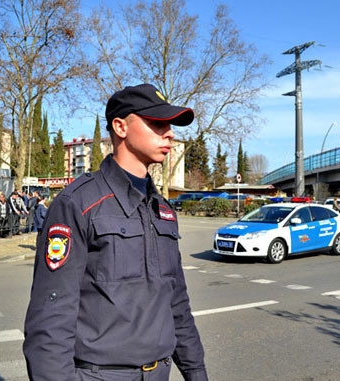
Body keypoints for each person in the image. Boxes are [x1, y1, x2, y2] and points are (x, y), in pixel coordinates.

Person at [23, 84, 208, 380]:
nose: (170, 132)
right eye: (158, 123)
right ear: (120, 127)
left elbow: (177, 303)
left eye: (170, 124)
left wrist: (196, 372)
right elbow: (51, 318)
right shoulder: (78, 203)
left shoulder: (162, 210)